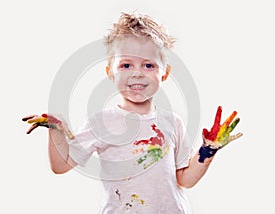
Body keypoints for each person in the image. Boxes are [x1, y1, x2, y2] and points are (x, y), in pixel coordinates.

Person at [23, 12, 243, 214]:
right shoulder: (101, 122)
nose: (138, 73)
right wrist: (57, 131)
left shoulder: (172, 122)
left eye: (148, 66)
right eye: (126, 65)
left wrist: (208, 151)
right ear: (110, 71)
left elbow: (184, 180)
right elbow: (61, 166)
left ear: (164, 73)